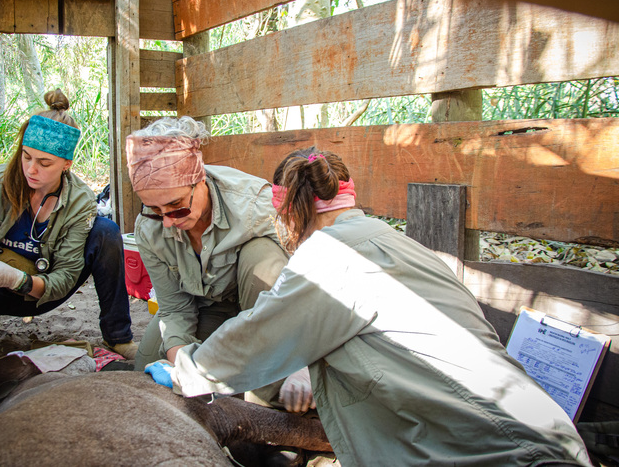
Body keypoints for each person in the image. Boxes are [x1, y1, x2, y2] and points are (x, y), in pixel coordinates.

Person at [146, 147, 592, 466]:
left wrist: (188, 369)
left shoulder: (331, 258)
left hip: (499, 452)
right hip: (545, 434)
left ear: (290, 214)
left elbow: (256, 340)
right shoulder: (400, 243)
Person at [0, 89, 136, 363]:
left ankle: (118, 336)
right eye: (26, 157)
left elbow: (65, 277)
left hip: (41, 291)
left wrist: (18, 279)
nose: (30, 169)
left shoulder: (80, 200)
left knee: (106, 231)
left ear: (66, 164)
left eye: (44, 163)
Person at [126, 116, 313, 412]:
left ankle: (269, 395)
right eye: (154, 209)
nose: (167, 221)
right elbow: (174, 308)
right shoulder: (149, 228)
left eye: (176, 206)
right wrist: (181, 361)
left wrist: (304, 361)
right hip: (207, 307)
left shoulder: (257, 206)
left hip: (263, 309)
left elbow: (306, 285)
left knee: (261, 256)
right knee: (146, 376)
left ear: (200, 180)